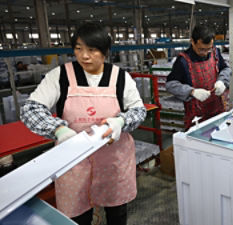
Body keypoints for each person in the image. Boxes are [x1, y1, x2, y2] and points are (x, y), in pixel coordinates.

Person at [20, 22, 146, 225]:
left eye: (92, 50)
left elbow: (138, 111)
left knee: (116, 215)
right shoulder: (60, 76)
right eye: (78, 49)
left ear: (105, 51)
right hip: (73, 164)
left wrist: (121, 121)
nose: (84, 56)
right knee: (77, 218)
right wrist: (58, 129)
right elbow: (30, 109)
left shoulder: (121, 78)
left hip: (113, 162)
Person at [166, 25, 231, 130]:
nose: (205, 53)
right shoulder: (182, 61)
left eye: (208, 49)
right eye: (201, 49)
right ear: (192, 41)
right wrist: (191, 92)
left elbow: (226, 69)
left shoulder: (216, 53)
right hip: (196, 118)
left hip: (217, 110)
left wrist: (222, 81)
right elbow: (170, 85)